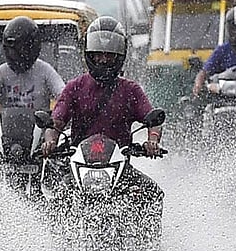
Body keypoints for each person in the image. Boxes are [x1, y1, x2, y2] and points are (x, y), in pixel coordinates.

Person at [40, 16, 163, 217]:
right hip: (78, 165)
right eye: (98, 55)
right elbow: (57, 120)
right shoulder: (74, 87)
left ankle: (147, 247)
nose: (103, 60)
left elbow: (152, 118)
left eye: (109, 55)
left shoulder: (131, 90)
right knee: (57, 199)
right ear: (89, 54)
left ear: (120, 55)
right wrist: (50, 142)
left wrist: (152, 141)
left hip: (119, 168)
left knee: (152, 194)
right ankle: (58, 245)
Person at [0, 16, 64, 115]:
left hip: (39, 128)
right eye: (9, 51)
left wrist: (59, 114)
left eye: (18, 51)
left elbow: (63, 97)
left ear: (31, 47)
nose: (14, 56)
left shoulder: (45, 71)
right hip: (6, 128)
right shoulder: (2, 72)